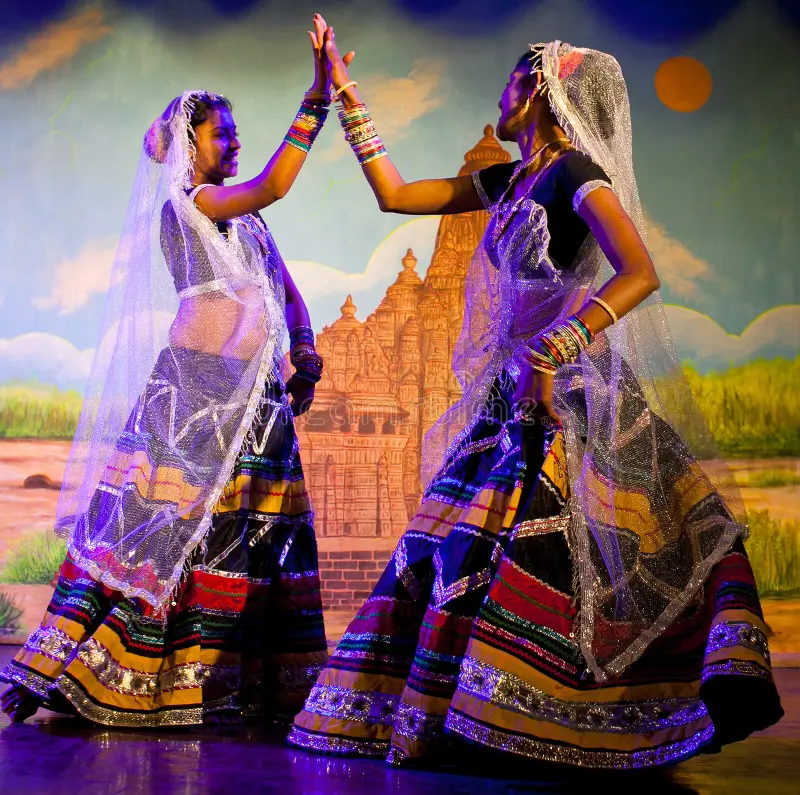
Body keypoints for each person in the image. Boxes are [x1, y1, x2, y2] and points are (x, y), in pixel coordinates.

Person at [288, 31, 784, 768]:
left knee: (561, 550)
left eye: (515, 81)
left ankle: (559, 717)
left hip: (568, 391)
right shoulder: (511, 180)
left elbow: (639, 271)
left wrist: (555, 346)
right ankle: (493, 715)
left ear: (543, 95)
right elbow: (396, 195)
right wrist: (341, 95)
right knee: (461, 548)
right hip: (507, 398)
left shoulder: (575, 173)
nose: (501, 92)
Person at [1, 14, 346, 728]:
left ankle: (228, 683)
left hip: (255, 409)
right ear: (190, 145)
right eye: (224, 133)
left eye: (236, 131)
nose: (237, 141)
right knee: (165, 532)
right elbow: (275, 185)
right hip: (192, 396)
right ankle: (116, 678)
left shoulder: (248, 223)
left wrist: (305, 352)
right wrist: (319, 98)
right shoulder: (189, 203)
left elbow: (287, 290)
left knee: (246, 541)